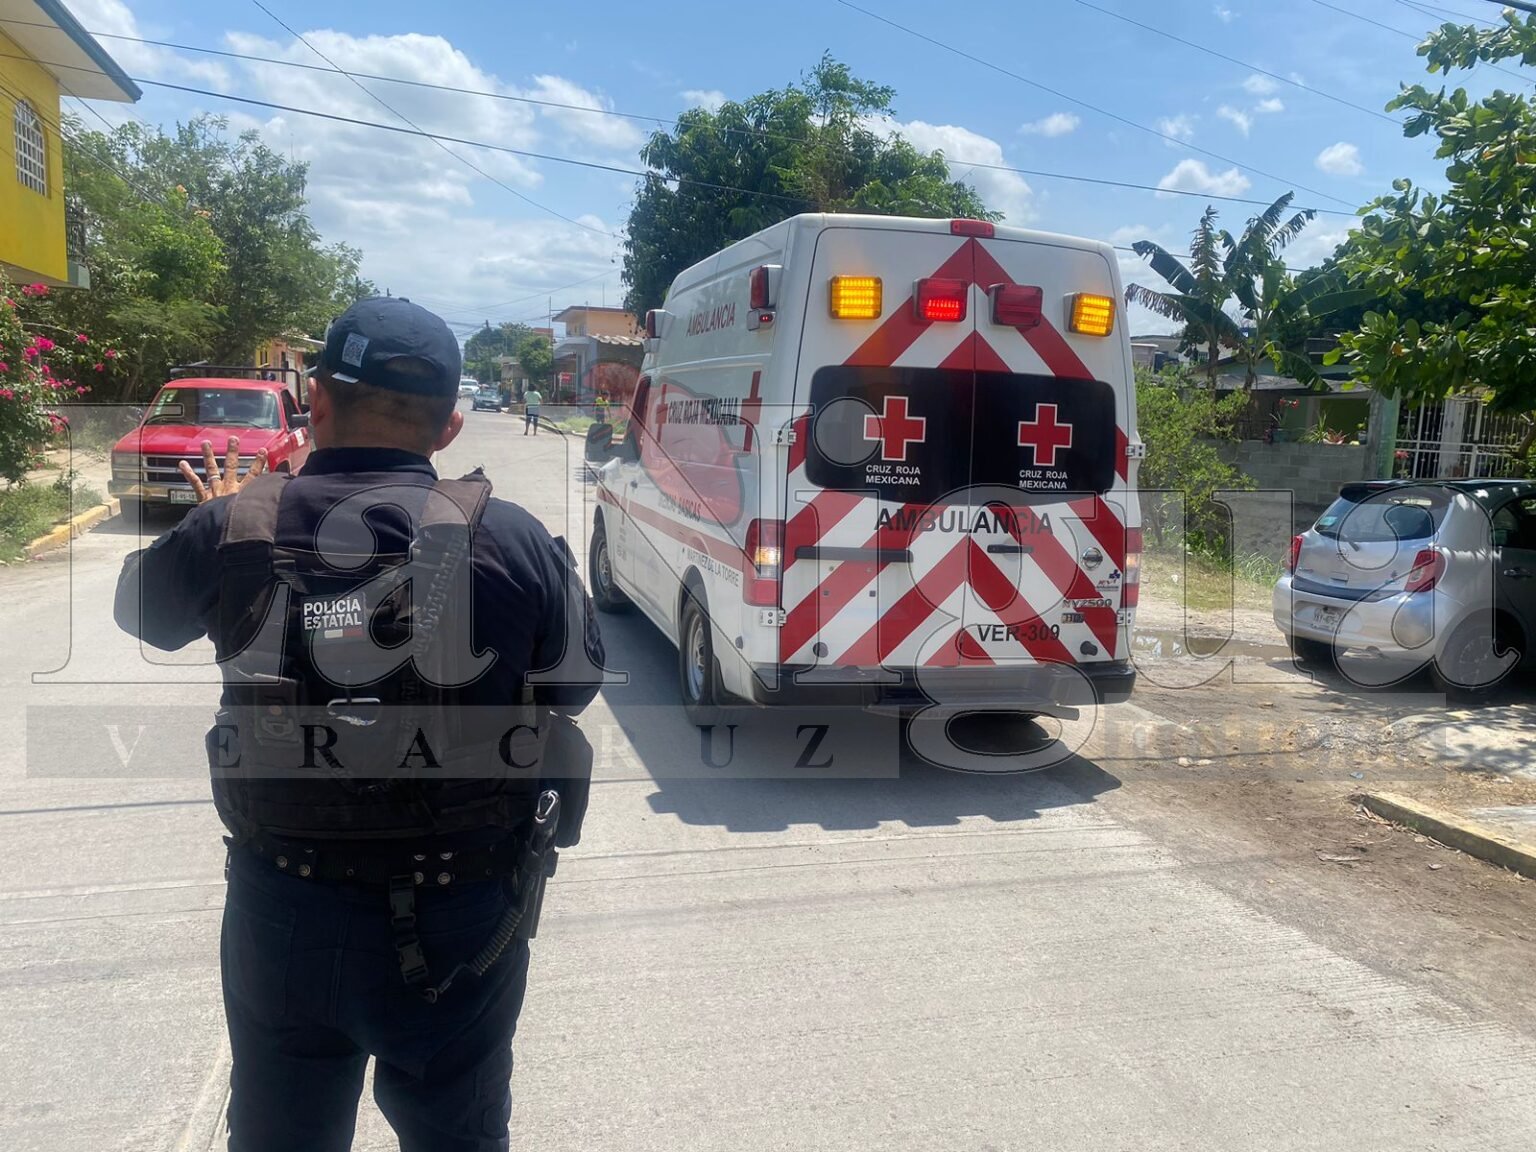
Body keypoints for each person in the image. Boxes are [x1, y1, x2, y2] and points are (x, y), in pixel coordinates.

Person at [114, 297, 605, 1151]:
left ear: (315, 402)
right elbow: (575, 687)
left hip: (283, 906)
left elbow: (142, 613)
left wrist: (222, 518)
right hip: (460, 911)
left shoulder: (238, 524)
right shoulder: (514, 538)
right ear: (449, 427)